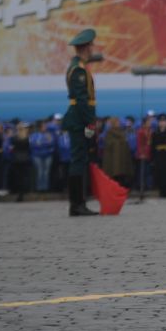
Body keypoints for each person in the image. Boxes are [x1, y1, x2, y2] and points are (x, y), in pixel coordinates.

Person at [63, 30, 99, 217]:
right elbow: (82, 99)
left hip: (79, 118)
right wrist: (90, 122)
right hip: (79, 119)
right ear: (85, 47)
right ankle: (77, 204)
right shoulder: (78, 69)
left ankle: (78, 203)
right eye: (91, 45)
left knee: (80, 159)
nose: (93, 48)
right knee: (78, 160)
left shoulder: (80, 66)